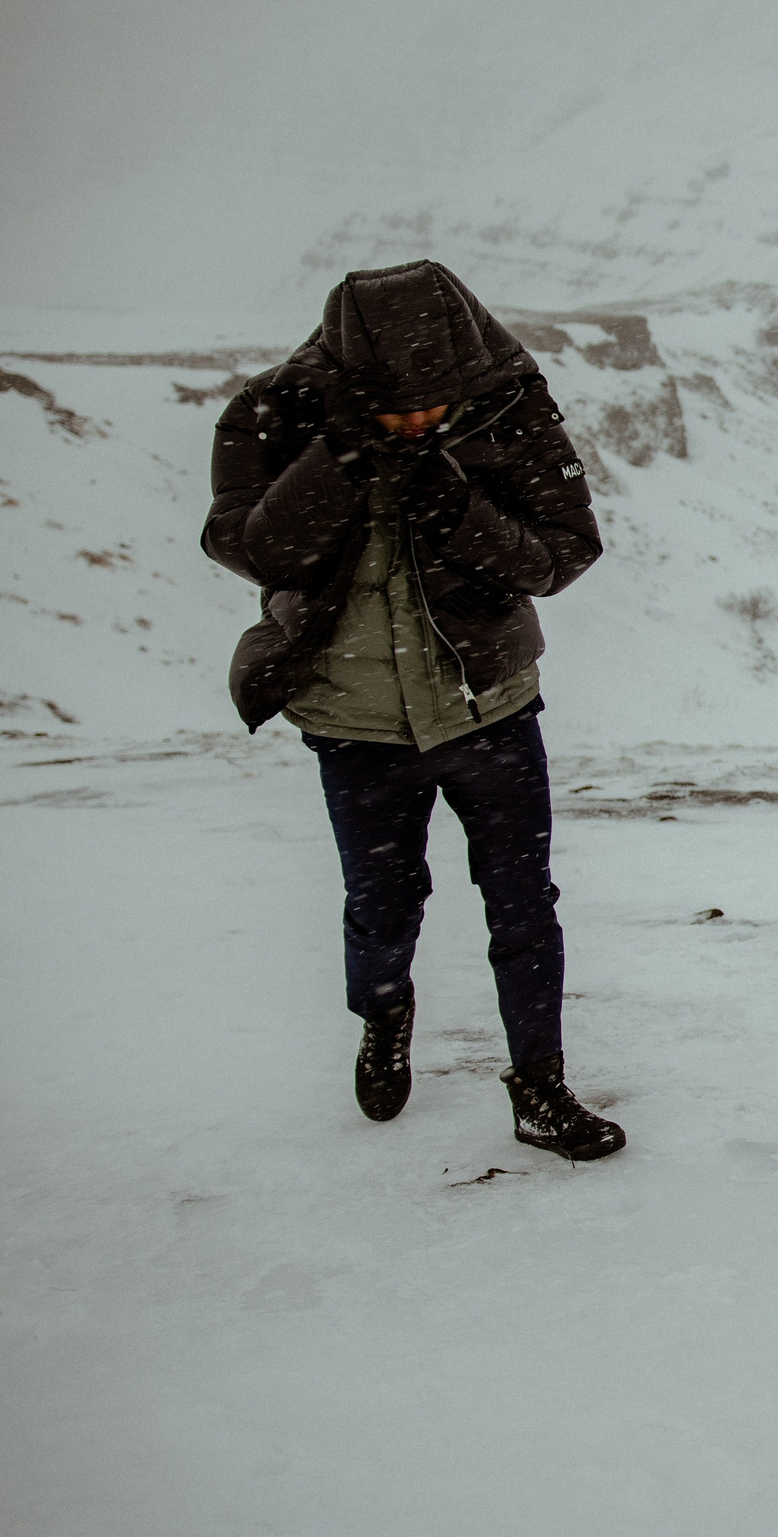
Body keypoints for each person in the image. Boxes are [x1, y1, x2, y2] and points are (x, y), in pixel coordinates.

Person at [200, 260, 624, 1160]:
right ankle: (385, 1016)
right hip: (354, 724)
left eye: (433, 400)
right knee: (383, 905)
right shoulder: (272, 414)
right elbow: (247, 545)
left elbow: (562, 552)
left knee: (523, 906)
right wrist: (334, 465)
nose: (417, 419)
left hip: (491, 711)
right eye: (394, 405)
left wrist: (457, 509)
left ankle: (541, 1090)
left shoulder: (506, 409)